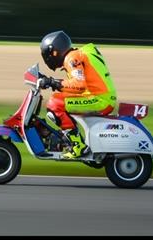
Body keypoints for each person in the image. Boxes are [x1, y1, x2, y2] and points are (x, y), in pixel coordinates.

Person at [37, 30, 118, 160]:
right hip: (100, 97)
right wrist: (52, 83)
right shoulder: (75, 56)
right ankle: (69, 139)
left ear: (55, 51)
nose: (48, 58)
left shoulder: (72, 58)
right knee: (60, 99)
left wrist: (53, 82)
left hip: (99, 100)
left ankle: (77, 146)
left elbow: (79, 85)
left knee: (55, 104)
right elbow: (75, 87)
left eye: (48, 54)